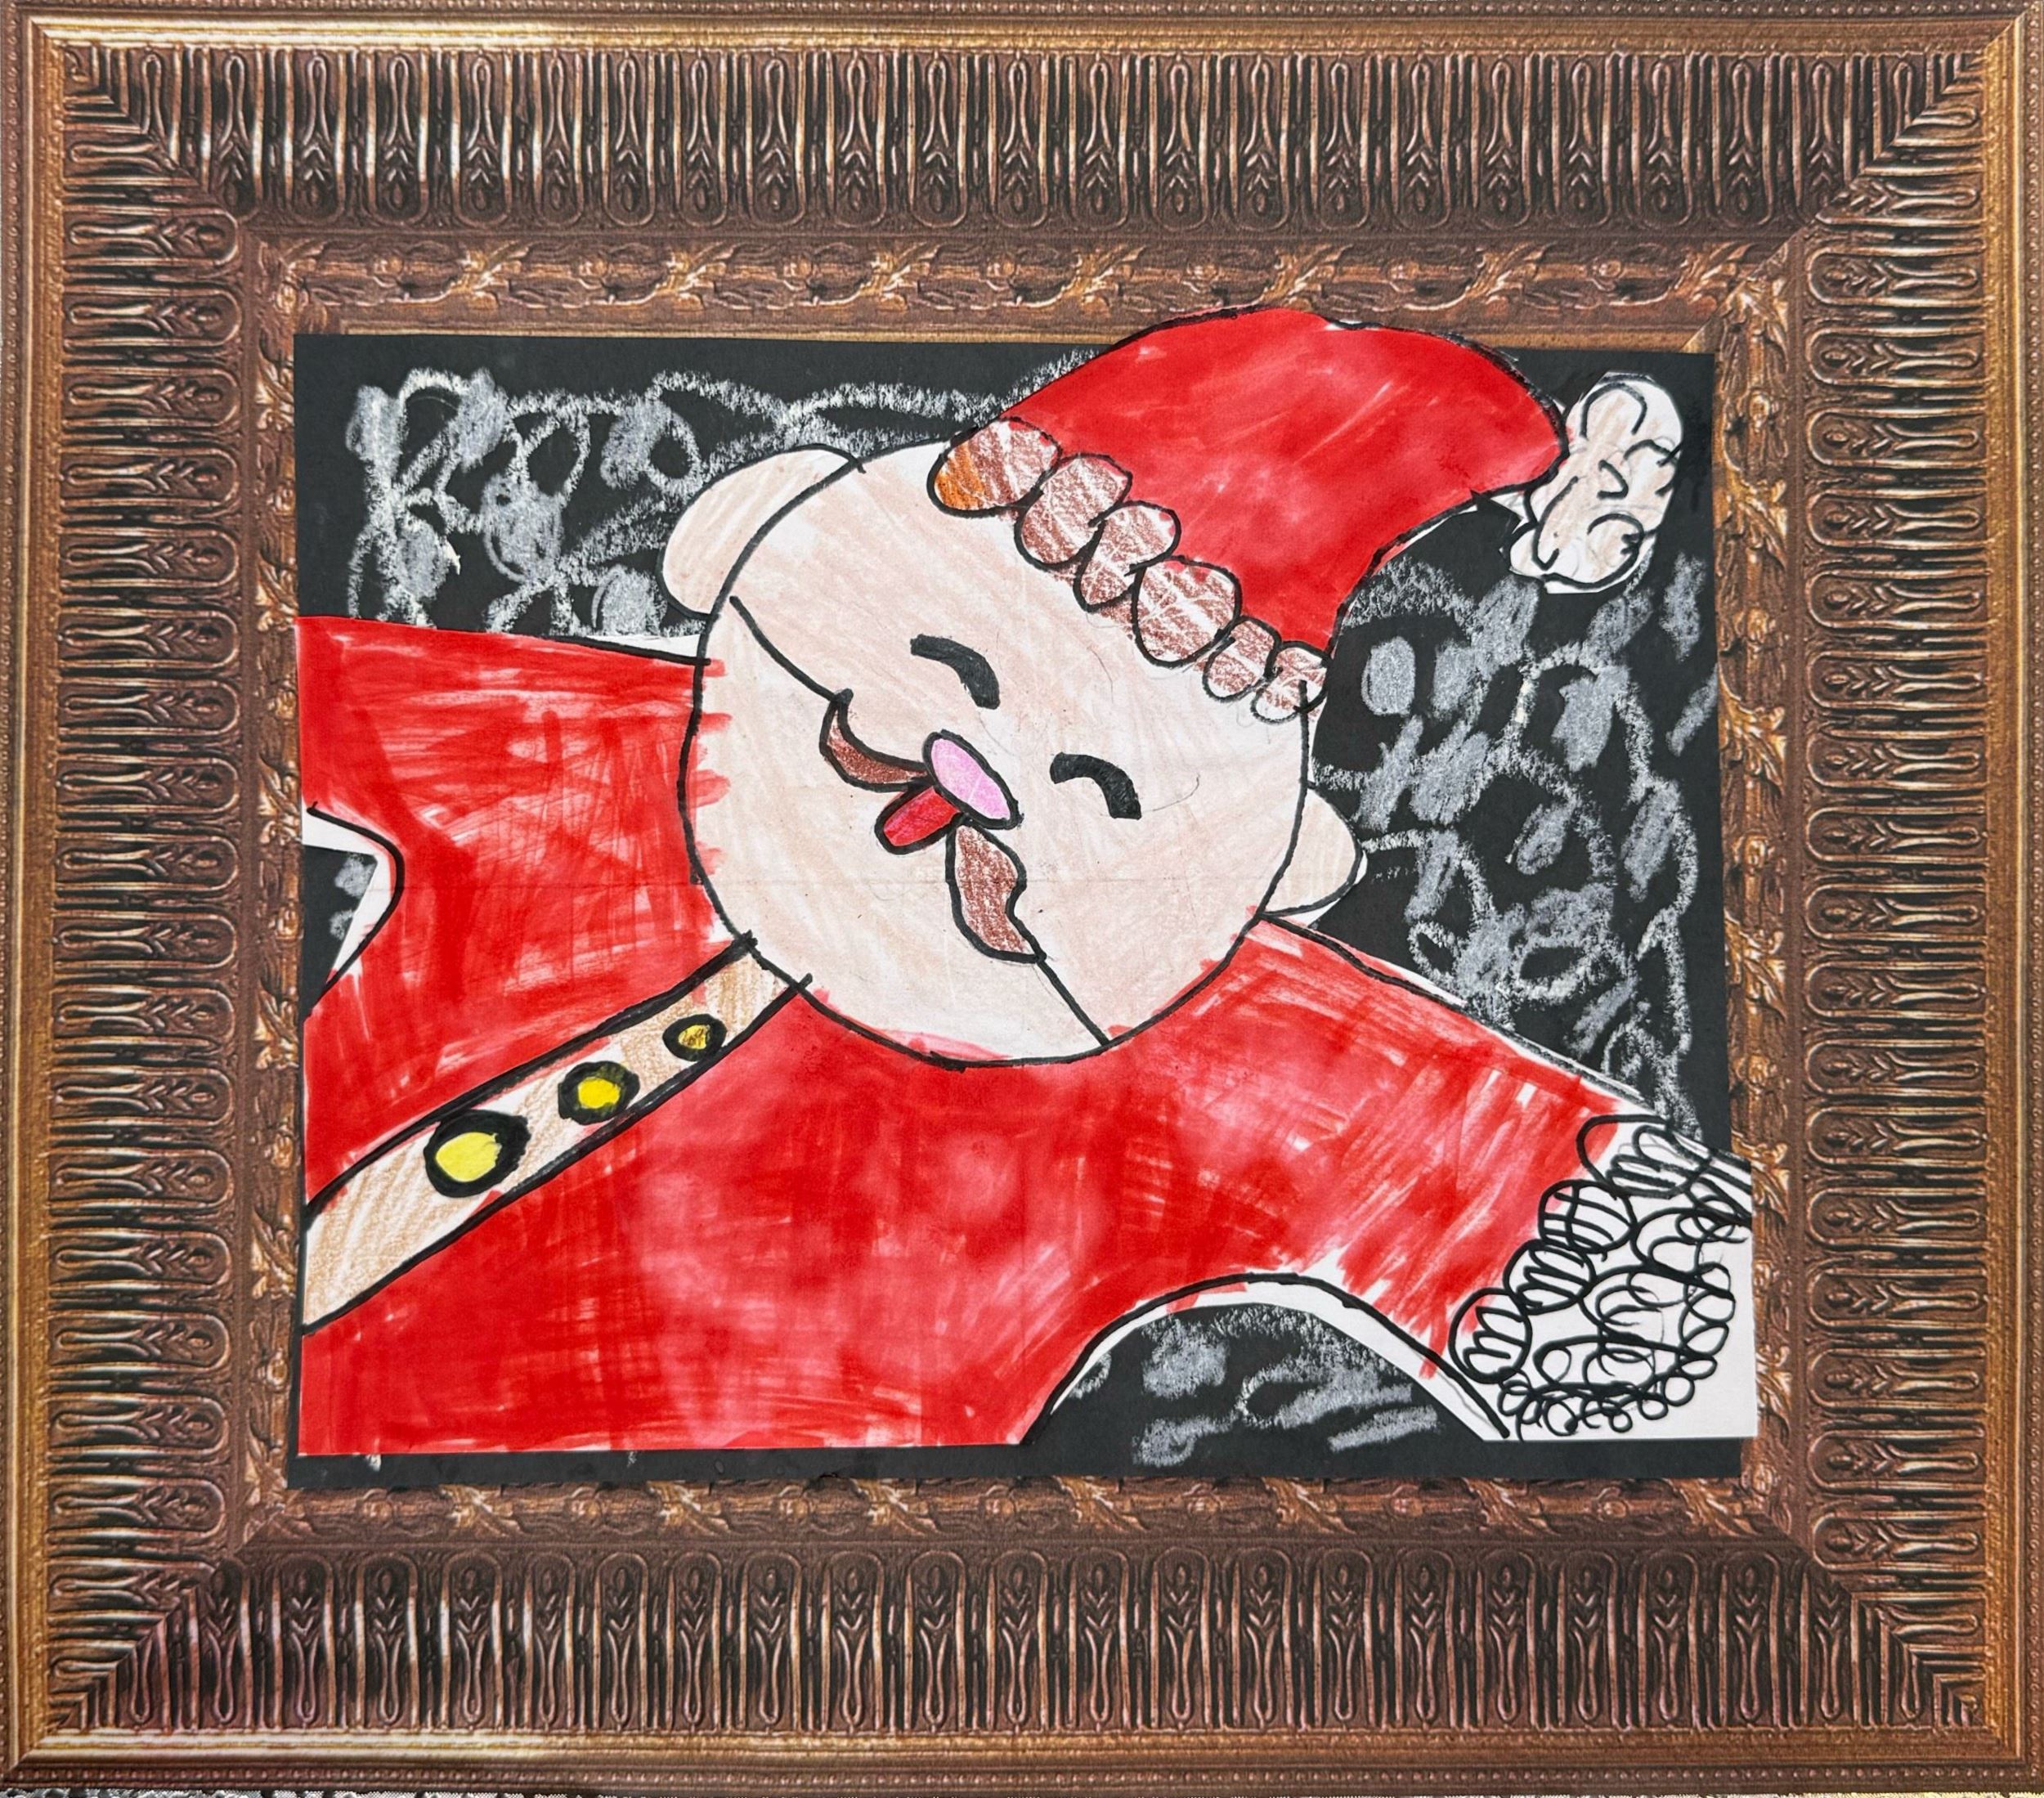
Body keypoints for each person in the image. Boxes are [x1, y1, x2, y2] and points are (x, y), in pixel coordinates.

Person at [294, 309, 1750, 1462]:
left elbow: (1652, 1299)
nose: (978, 779)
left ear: (1269, 868)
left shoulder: (1241, 1062)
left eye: (1106, 790)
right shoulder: (569, 746)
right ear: (758, 537)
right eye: (950, 675)